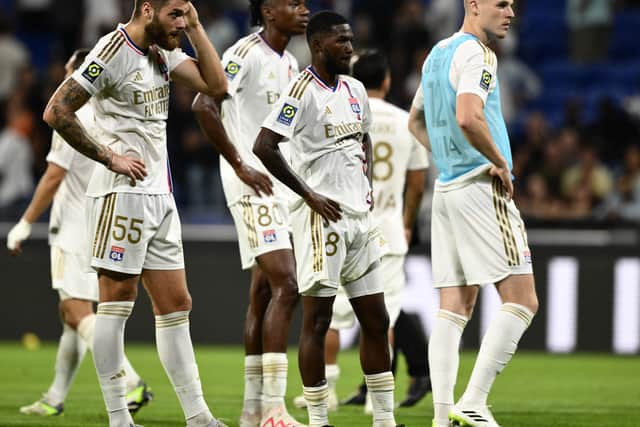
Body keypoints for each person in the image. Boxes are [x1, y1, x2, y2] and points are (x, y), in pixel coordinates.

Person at [42, 1, 228, 426]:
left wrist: (197, 28)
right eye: (175, 15)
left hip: (160, 195)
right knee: (116, 303)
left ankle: (198, 416)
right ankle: (118, 418)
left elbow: (216, 87)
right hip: (120, 194)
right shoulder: (111, 50)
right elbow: (57, 111)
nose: (181, 24)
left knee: (177, 303)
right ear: (147, 10)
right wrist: (109, 157)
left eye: (186, 15)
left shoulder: (164, 50)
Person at [254, 11, 403, 427]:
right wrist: (308, 194)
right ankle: (319, 420)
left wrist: (367, 181)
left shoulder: (355, 88)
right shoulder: (300, 90)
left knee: (377, 318)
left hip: (359, 218)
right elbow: (264, 145)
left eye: (352, 40)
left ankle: (385, 421)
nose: (351, 49)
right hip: (322, 222)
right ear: (318, 45)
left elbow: (364, 138)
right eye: (342, 42)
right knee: (317, 321)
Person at [408, 1, 539, 426]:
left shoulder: (436, 54)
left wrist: (448, 158)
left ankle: (442, 418)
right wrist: (497, 160)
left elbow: (416, 121)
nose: (510, 13)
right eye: (501, 4)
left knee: (453, 307)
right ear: (473, 5)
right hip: (481, 188)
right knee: (522, 301)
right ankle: (474, 401)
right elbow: (469, 116)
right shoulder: (479, 55)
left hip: (445, 191)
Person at [7, 49, 153, 418]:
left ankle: (130, 380)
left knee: (75, 311)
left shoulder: (70, 115)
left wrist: (24, 222)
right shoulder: (110, 116)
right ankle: (55, 396)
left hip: (72, 228)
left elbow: (54, 175)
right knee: (71, 316)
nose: (65, 76)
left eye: (69, 70)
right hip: (99, 223)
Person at [292, 49, 430, 413]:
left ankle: (329, 389)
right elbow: (417, 182)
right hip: (383, 224)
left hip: (341, 219)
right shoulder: (406, 121)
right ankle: (376, 400)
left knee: (329, 315)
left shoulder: (342, 107)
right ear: (386, 79)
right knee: (381, 315)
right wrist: (407, 219)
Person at [191, 1, 309, 426]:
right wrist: (240, 164)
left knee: (263, 293)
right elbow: (204, 105)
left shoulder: (292, 62)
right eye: (293, 3)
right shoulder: (244, 53)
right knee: (288, 284)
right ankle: (275, 409)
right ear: (269, 11)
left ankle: (251, 410)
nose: (305, 9)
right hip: (251, 184)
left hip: (280, 185)